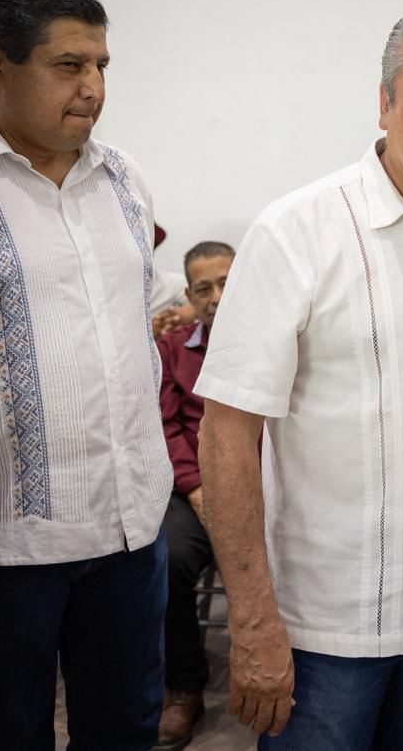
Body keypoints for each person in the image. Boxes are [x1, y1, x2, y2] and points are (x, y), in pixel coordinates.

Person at [193, 3, 403, 750]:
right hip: (324, 630)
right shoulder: (297, 232)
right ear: (384, 103)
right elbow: (227, 433)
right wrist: (251, 619)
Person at [0, 0, 171, 750]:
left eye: (101, 65)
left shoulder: (123, 178)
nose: (93, 89)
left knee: (125, 729)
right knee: (6, 733)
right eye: (69, 65)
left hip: (130, 529)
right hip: (5, 544)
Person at [154, 240, 235, 750]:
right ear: (188, 295)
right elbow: (166, 427)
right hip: (195, 489)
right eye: (203, 289)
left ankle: (302, 676)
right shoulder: (173, 348)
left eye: (226, 282)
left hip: (268, 490)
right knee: (166, 558)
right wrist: (197, 488)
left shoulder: (276, 341)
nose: (216, 297)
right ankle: (183, 687)